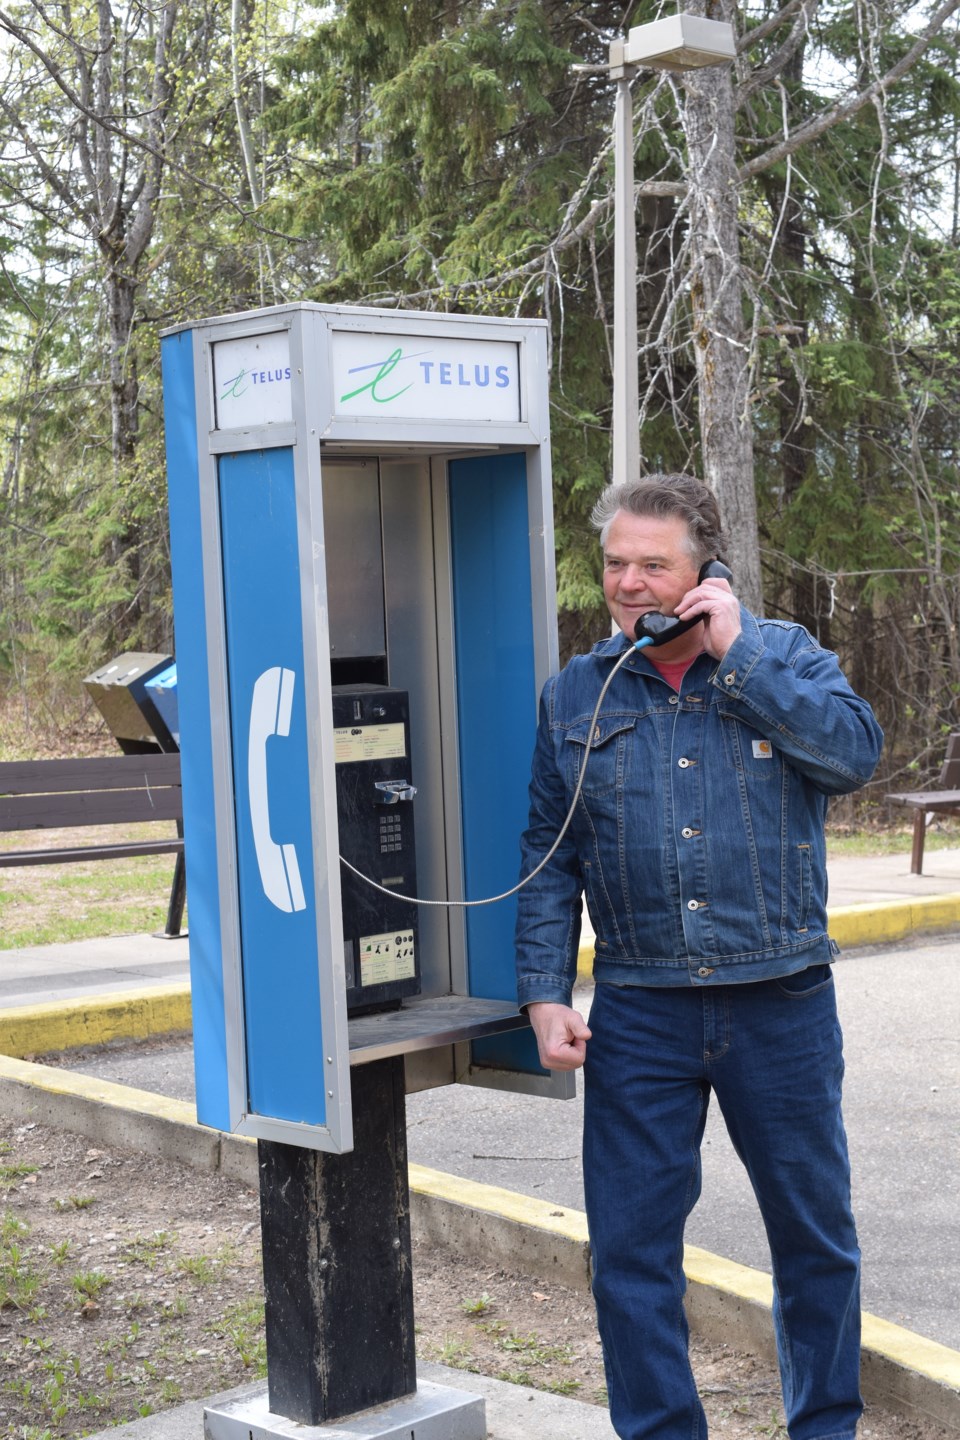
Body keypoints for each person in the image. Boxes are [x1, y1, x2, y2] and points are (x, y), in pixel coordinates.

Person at [515, 473, 883, 1440]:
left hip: (783, 1000)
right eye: (615, 564)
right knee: (630, 1255)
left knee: (814, 1244)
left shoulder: (785, 658)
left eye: (654, 564)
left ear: (704, 571)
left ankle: (826, 1428)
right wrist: (544, 993)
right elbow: (548, 858)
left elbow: (852, 757)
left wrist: (742, 659)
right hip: (641, 1009)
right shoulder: (577, 694)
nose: (630, 584)